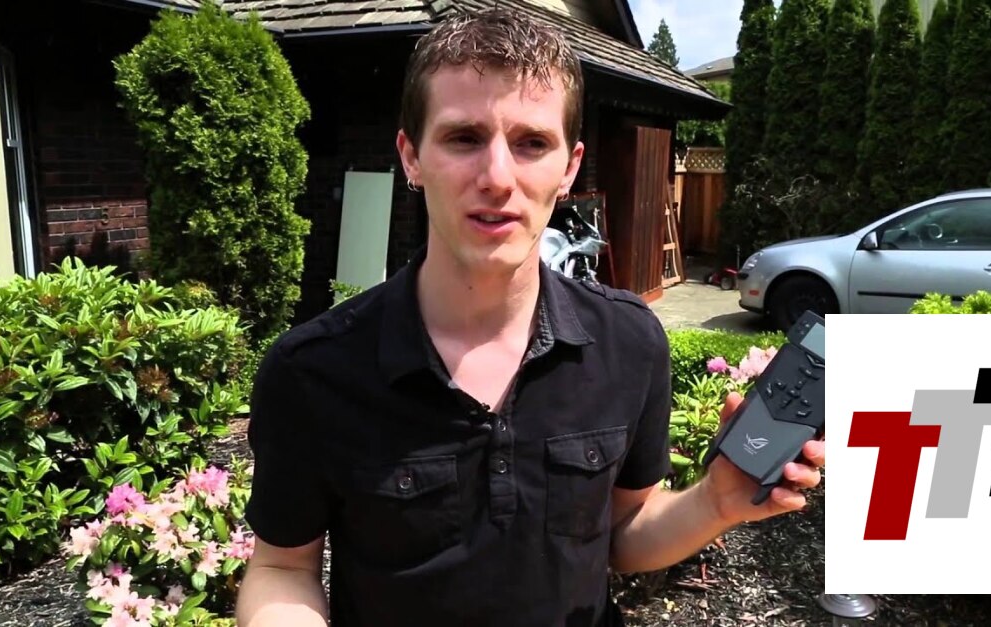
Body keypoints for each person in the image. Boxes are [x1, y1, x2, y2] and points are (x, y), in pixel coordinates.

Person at [234, 8, 824, 627]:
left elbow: (625, 531)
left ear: (568, 167)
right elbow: (282, 569)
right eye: (464, 138)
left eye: (531, 143)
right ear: (411, 157)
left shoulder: (628, 343)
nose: (497, 177)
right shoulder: (315, 370)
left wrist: (715, 503)